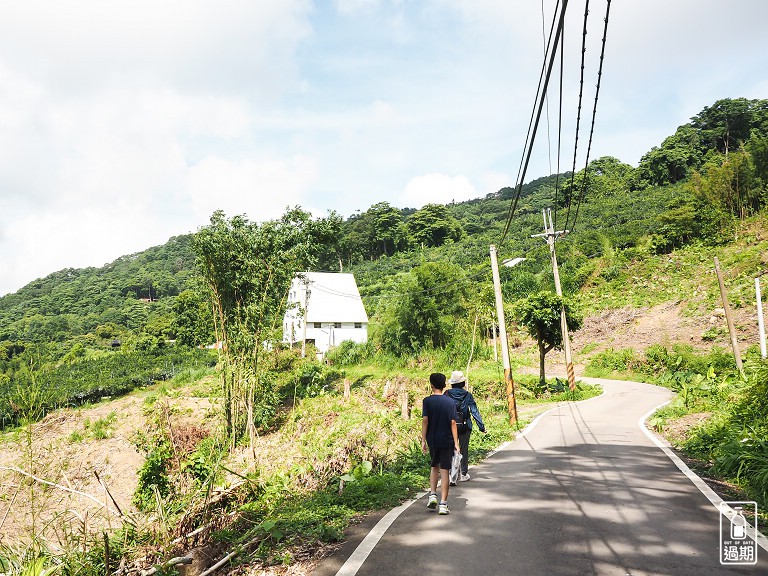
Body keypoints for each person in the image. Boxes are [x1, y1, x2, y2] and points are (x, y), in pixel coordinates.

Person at [421, 372, 460, 515]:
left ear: (431, 385)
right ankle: (443, 504)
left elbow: (425, 421)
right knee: (445, 471)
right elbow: (453, 422)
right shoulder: (450, 402)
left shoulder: (427, 401)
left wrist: (423, 440)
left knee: (434, 466)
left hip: (433, 440)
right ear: (444, 385)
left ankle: (432, 494)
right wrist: (456, 442)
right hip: (447, 440)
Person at [445, 370, 486, 483]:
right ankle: (463, 474)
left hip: (449, 426)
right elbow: (474, 411)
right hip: (464, 426)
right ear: (462, 383)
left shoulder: (447, 394)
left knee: (450, 449)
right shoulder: (467, 395)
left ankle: (450, 474)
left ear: (452, 383)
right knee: (463, 450)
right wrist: (481, 427)